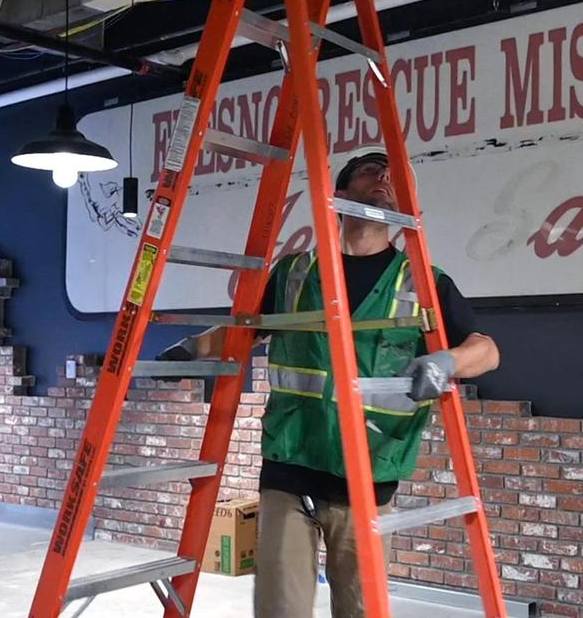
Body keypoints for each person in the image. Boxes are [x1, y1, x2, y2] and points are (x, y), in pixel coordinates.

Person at [159, 149, 500, 618]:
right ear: (338, 194)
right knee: (280, 609)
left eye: (390, 175)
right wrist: (191, 349)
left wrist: (447, 361)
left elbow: (487, 350)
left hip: (367, 476)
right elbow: (244, 330)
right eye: (368, 171)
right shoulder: (295, 273)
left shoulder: (422, 281)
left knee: (360, 610)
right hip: (290, 467)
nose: (382, 177)